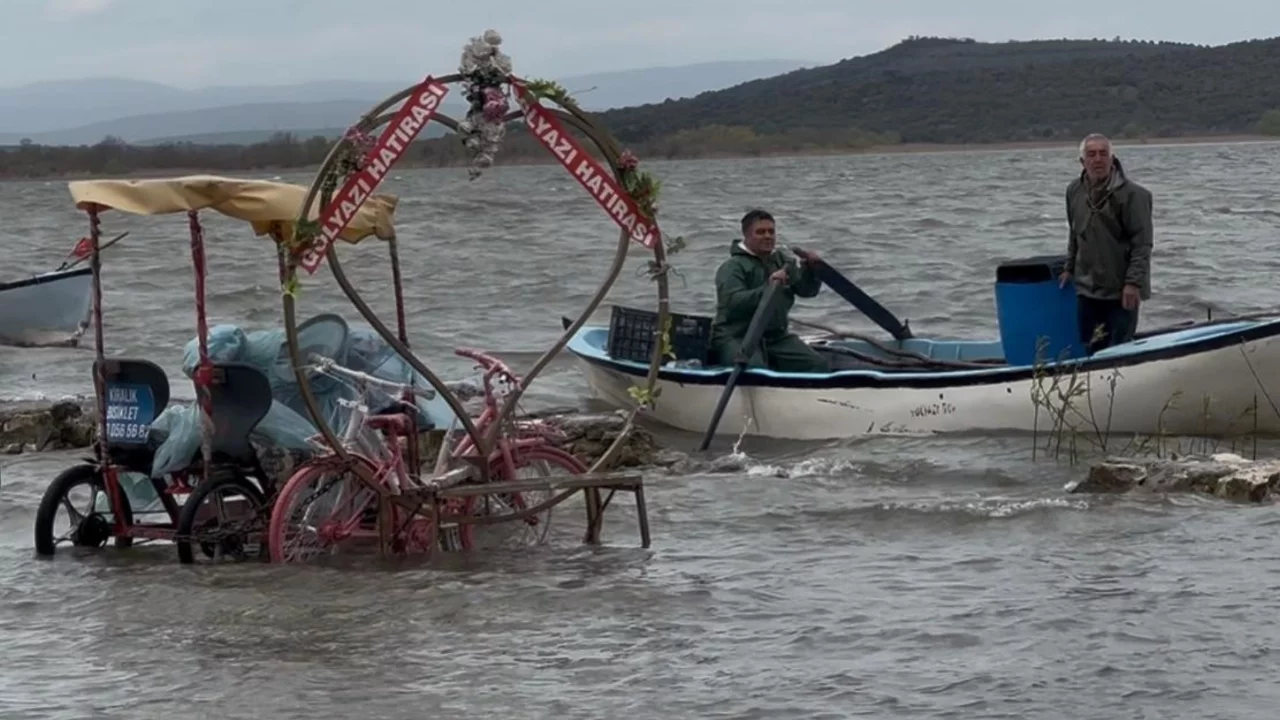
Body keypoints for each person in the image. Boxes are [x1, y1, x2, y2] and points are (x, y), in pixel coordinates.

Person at [1058, 133, 1154, 353]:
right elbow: (1075, 233)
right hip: (1088, 289)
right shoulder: (1074, 191)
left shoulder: (1133, 196)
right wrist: (1069, 267)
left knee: (1118, 349)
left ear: (1112, 159)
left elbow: (1143, 244)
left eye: (1103, 154)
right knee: (1090, 347)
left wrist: (1133, 283)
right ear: (1083, 161)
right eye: (1092, 154)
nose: (1098, 159)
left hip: (1121, 290)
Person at [709, 209, 831, 373]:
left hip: (775, 338)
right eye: (760, 232)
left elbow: (807, 291)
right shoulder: (732, 267)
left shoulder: (783, 261)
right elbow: (733, 303)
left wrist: (810, 270)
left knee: (817, 364)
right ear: (746, 235)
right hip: (737, 336)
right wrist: (767, 288)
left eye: (771, 231)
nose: (767, 236)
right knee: (755, 370)